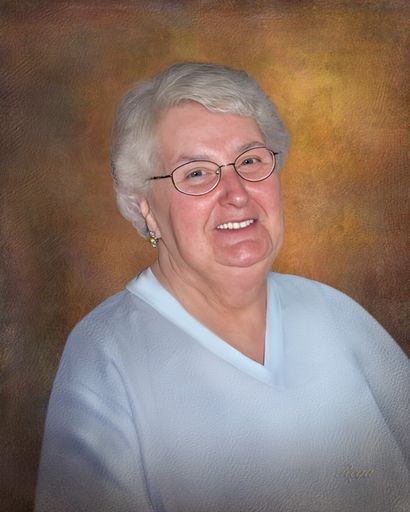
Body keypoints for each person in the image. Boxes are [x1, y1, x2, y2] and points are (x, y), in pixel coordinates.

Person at [35, 62, 409, 512]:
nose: (237, 193)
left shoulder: (335, 314)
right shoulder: (105, 354)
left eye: (250, 161)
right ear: (145, 206)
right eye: (196, 173)